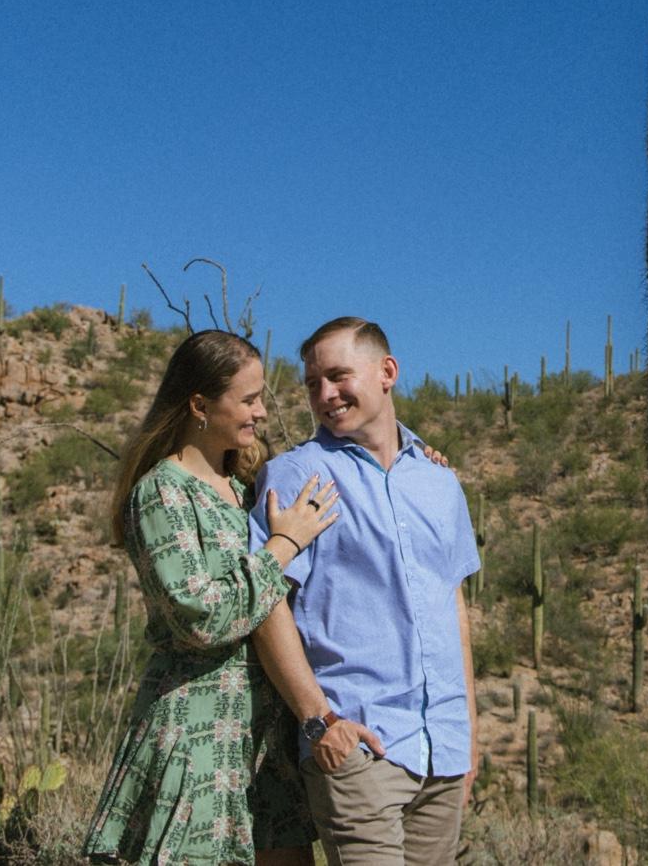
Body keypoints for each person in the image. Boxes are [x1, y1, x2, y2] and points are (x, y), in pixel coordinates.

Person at [84, 329, 335, 866]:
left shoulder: (247, 486)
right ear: (200, 405)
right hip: (197, 735)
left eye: (260, 397)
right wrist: (283, 546)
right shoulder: (160, 494)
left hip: (265, 739)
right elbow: (200, 618)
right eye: (248, 399)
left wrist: (417, 456)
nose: (262, 412)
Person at [248, 317, 479, 866]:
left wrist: (467, 732)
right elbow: (266, 604)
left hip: (441, 749)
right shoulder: (297, 474)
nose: (325, 395)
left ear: (387, 373)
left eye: (337, 376)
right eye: (311, 383)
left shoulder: (439, 481)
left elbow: (453, 606)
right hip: (358, 746)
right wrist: (319, 721)